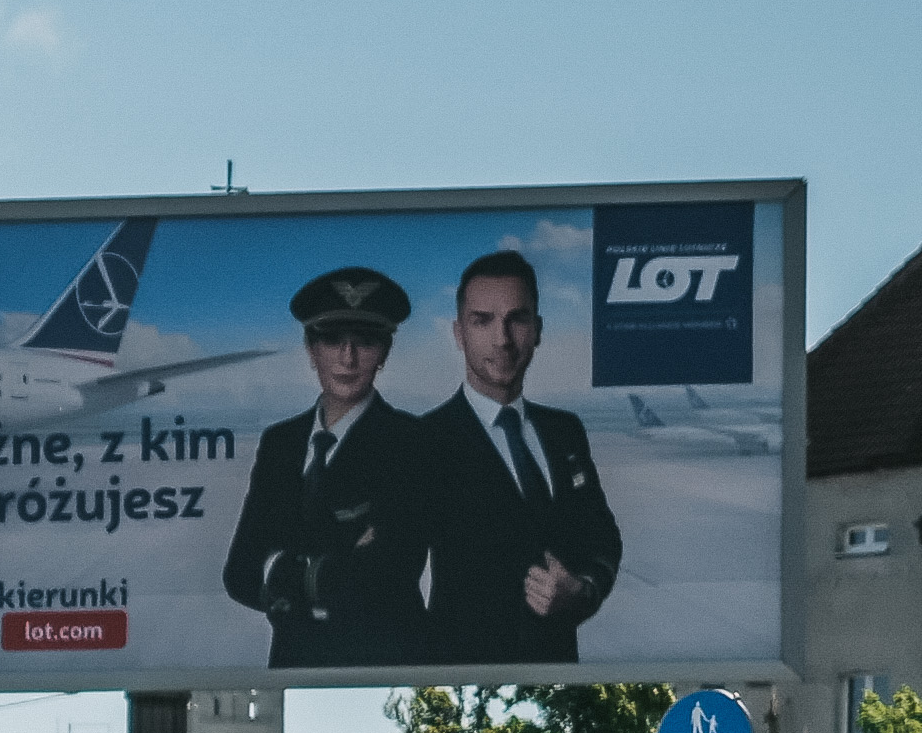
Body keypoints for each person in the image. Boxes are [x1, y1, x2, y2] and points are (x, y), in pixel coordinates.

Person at [420, 251, 623, 666]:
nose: (502, 339)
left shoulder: (564, 431)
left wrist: (583, 591)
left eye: (518, 319)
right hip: (460, 680)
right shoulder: (421, 441)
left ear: (538, 330)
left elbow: (602, 536)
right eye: (483, 321)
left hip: (560, 683)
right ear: (459, 333)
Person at [221, 266, 430, 664]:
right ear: (310, 348)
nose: (347, 358)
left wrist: (283, 571)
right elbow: (239, 573)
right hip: (294, 663)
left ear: (384, 352)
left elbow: (390, 573)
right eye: (332, 340)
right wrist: (335, 567)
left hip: (387, 664)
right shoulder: (280, 443)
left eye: (365, 341)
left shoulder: (411, 440)